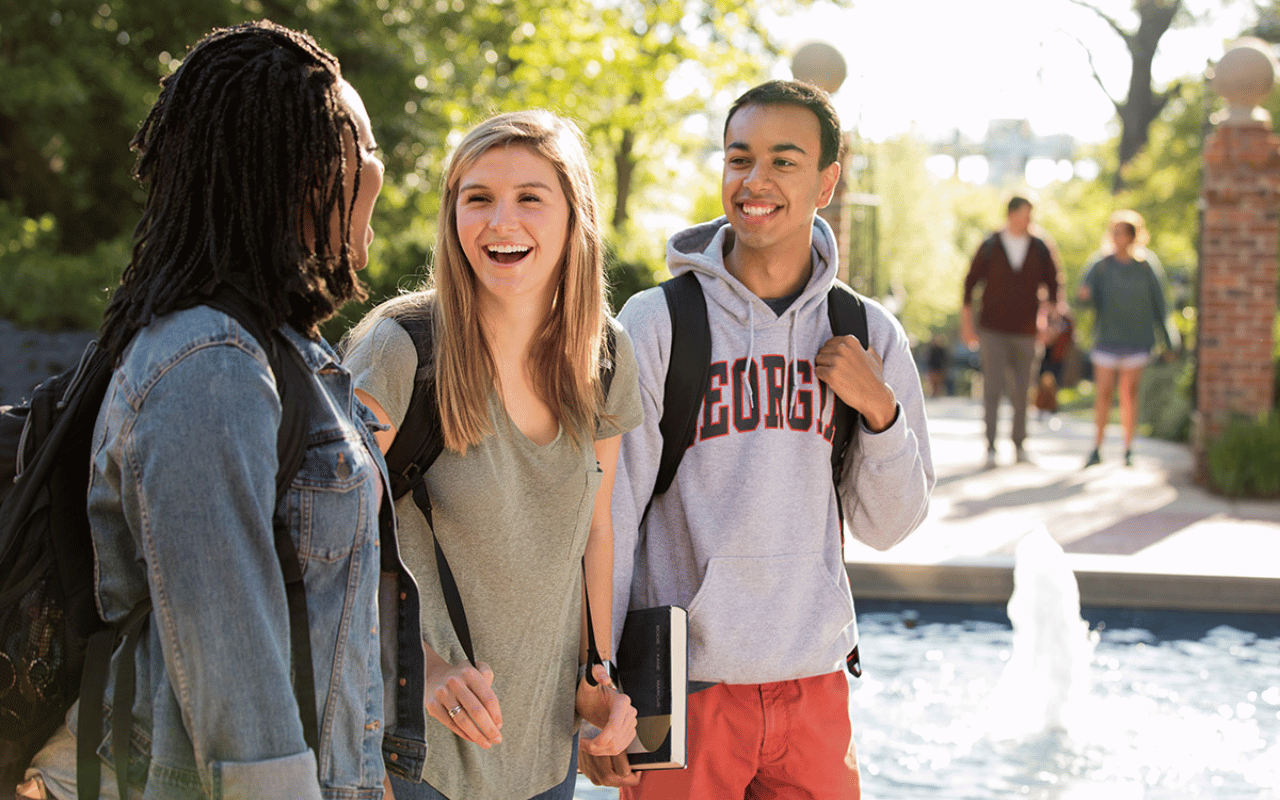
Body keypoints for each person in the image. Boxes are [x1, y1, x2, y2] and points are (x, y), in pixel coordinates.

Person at [19, 20, 427, 800]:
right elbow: (231, 671)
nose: (378, 168)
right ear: (304, 173)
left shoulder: (287, 352)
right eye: (363, 148)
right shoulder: (210, 366)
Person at [581, 80, 934, 799]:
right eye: (739, 159)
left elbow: (890, 526)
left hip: (815, 684)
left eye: (783, 160)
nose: (755, 181)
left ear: (826, 182)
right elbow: (606, 514)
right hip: (684, 688)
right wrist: (597, 679)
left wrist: (880, 411)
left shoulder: (866, 334)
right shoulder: (658, 323)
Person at [341, 110, 640, 800]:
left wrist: (597, 677)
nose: (501, 220)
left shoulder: (607, 354)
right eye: (477, 198)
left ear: (575, 217)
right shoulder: (398, 350)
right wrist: (424, 667)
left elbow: (595, 531)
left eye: (530, 197)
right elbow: (322, 543)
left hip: (542, 752)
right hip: (410, 747)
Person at [961, 196, 1061, 468]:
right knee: (992, 388)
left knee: (1022, 390)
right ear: (1011, 215)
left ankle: (1020, 444)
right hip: (992, 329)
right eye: (1024, 214)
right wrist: (967, 326)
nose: (1028, 220)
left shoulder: (1040, 246)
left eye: (1031, 215)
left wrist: (1050, 324)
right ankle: (990, 446)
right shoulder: (991, 245)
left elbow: (1054, 286)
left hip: (1028, 331)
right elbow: (969, 286)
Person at [1078, 210, 1174, 467]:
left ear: (1133, 236)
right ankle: (1097, 447)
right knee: (1104, 394)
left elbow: (1160, 305)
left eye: (1123, 232)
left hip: (1137, 339)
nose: (1118, 237)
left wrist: (1169, 339)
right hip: (1107, 338)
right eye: (1115, 232)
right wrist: (1084, 296)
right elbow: (1083, 298)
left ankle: (1128, 448)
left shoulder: (1146, 266)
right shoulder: (1099, 264)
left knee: (1129, 394)